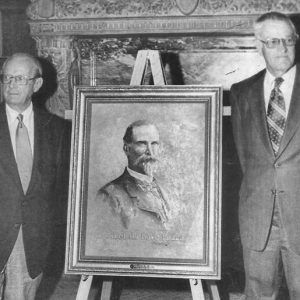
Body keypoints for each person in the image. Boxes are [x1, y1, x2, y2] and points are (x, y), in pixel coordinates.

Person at [230, 12, 300, 299]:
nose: (282, 48)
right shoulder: (241, 92)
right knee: (258, 294)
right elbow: (246, 157)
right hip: (258, 216)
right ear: (259, 46)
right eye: (273, 41)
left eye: (288, 40)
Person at [0, 53, 70, 300]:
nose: (10, 85)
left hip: (30, 241)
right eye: (6, 78)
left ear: (36, 85)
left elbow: (62, 194)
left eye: (19, 78)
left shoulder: (59, 130)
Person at [96, 120, 172, 230]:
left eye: (154, 144)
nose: (150, 152)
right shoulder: (109, 195)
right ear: (127, 149)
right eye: (142, 143)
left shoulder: (167, 190)